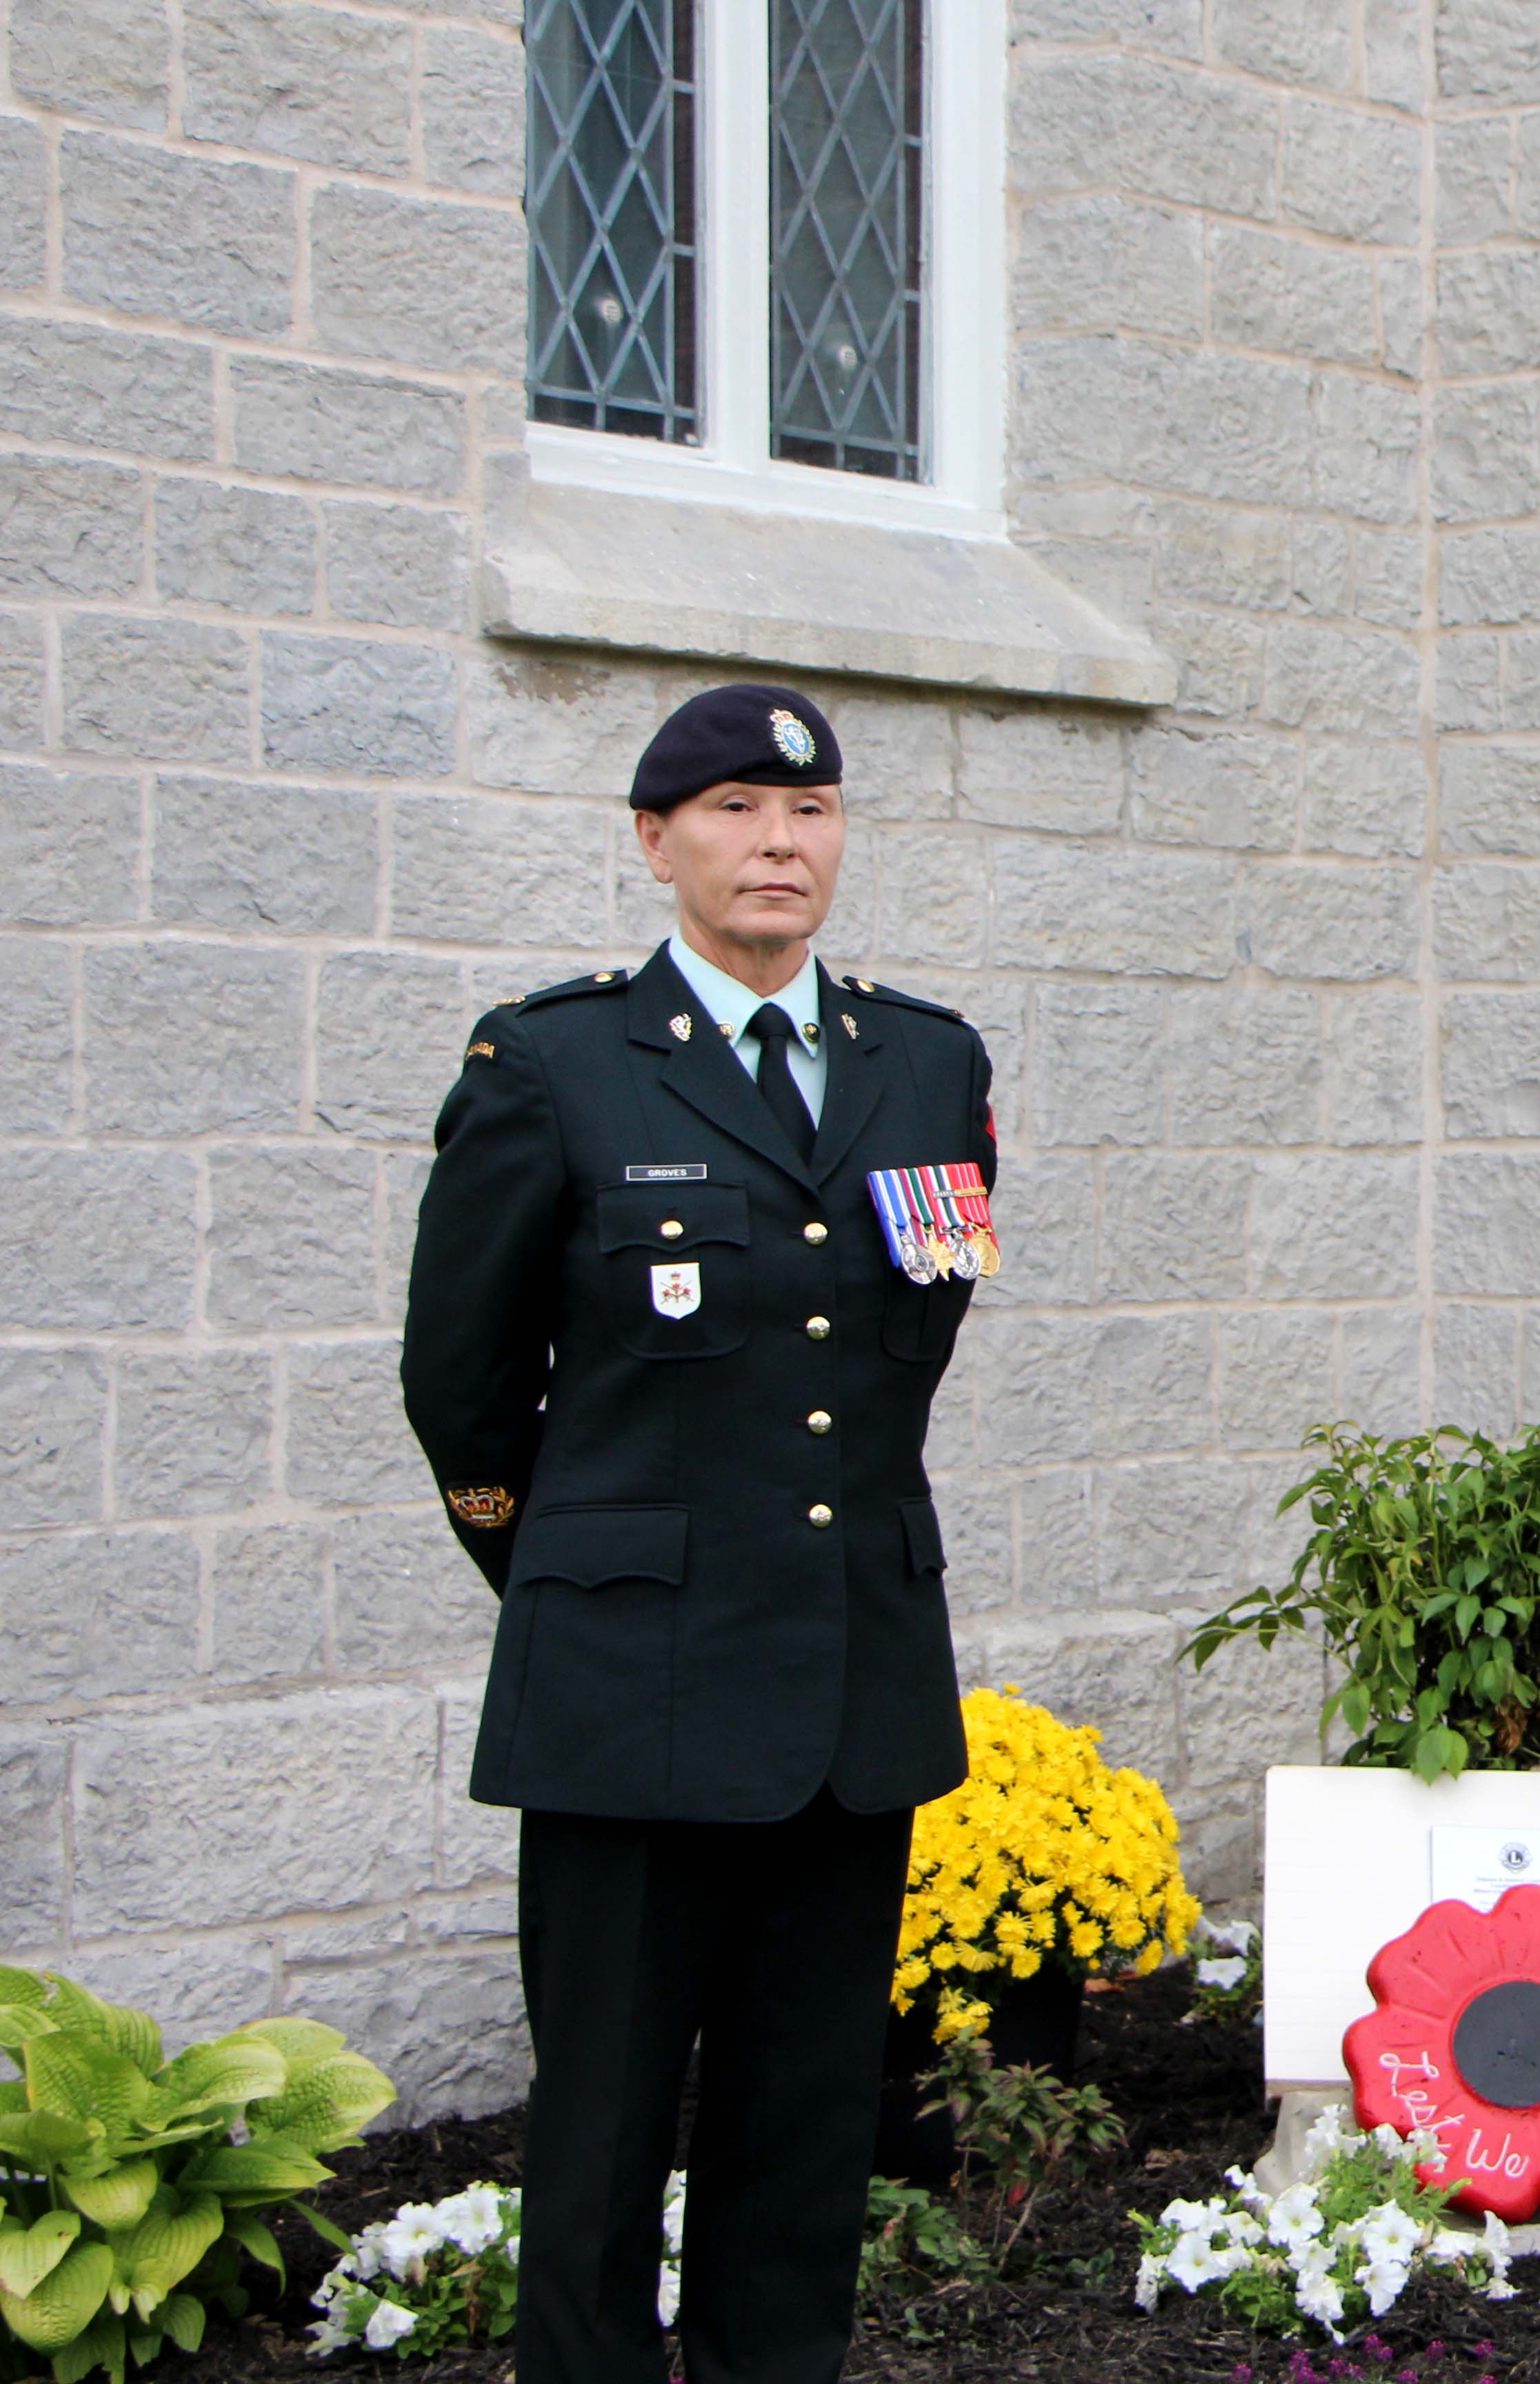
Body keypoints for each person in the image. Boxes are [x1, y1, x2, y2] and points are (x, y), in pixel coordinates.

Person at [401, 684, 995, 2384]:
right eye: (734, 810)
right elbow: (461, 1380)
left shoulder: (929, 1062)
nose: (777, 844)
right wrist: (584, 1579)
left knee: (806, 2125)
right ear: (656, 843)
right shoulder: (557, 1064)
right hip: (626, 1687)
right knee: (599, 2125)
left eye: (808, 814)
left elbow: (910, 1346)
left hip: (850, 1682)